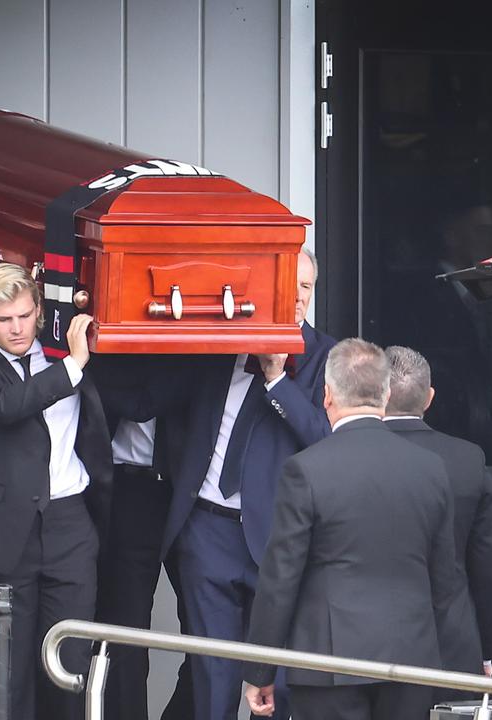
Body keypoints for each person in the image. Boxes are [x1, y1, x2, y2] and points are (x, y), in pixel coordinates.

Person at [243, 339, 474, 720]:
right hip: (411, 660)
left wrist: (260, 671)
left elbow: (279, 579)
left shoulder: (307, 469)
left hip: (328, 661)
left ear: (327, 395)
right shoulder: (430, 468)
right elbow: (445, 579)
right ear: (385, 395)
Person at [156, 250, 335, 720]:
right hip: (207, 529)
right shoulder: (218, 344)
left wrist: (277, 378)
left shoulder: (324, 356)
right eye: (290, 284)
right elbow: (172, 414)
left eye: (307, 288)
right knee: (212, 673)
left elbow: (324, 437)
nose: (298, 297)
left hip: (277, 539)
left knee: (276, 684)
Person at [0, 262, 113, 720]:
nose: (17, 328)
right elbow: (5, 405)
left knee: (70, 664)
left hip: (69, 522)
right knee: (1, 676)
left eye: (24, 315)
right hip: (1, 531)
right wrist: (73, 366)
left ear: (39, 309)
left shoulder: (62, 351)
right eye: (4, 319)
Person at [383, 345, 492, 677]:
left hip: (362, 648)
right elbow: (486, 566)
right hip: (450, 641)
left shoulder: (339, 456)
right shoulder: (468, 460)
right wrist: (486, 647)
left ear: (378, 395)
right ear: (429, 398)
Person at [88, 355, 194, 720]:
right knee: (126, 635)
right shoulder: (113, 341)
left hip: (191, 494)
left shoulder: (199, 346)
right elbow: (138, 404)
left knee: (210, 633)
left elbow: (149, 400)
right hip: (129, 489)